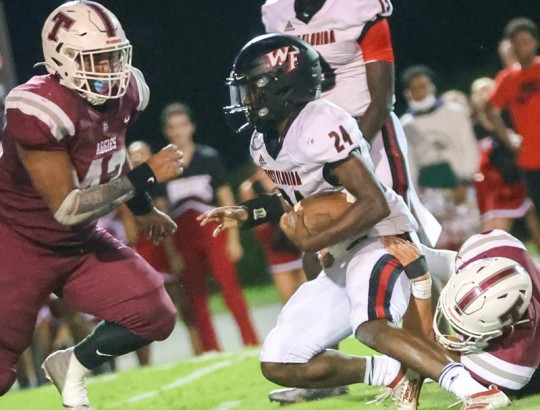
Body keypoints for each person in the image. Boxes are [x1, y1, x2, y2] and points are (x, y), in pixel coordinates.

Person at [199, 33, 511, 409]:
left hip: (381, 238)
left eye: (253, 87)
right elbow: (295, 199)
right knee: (280, 360)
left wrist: (313, 241)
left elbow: (373, 203)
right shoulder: (264, 141)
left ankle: (475, 390)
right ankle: (393, 373)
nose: (247, 99)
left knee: (371, 327)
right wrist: (252, 212)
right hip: (342, 251)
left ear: (281, 85)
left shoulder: (320, 122)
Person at [0, 2, 184, 408]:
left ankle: (71, 366)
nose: (109, 69)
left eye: (113, 57)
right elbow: (67, 207)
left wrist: (142, 208)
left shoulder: (128, 93)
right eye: (95, 60)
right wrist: (146, 175)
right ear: (61, 58)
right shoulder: (40, 108)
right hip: (17, 242)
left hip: (78, 242)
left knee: (153, 313)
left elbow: (111, 156)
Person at [261, 1, 439, 402]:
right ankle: (326, 366)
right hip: (313, 147)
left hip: (367, 135)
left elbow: (382, 97)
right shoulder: (276, 11)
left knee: (404, 244)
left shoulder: (357, 7)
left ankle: (431, 354)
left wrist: (346, 155)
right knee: (315, 245)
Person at [160, 102, 259, 352]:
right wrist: (171, 252)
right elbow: (162, 213)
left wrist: (233, 238)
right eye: (173, 127)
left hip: (213, 231)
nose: (178, 131)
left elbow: (225, 199)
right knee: (195, 295)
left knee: (230, 288)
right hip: (183, 236)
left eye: (182, 125)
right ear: (166, 132)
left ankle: (250, 341)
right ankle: (210, 349)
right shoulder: (163, 167)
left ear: (191, 127)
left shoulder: (208, 157)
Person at [400, 64, 480, 251]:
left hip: (459, 184)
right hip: (429, 191)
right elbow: (409, 161)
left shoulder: (454, 112)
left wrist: (465, 180)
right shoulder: (406, 123)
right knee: (439, 245)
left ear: (432, 86)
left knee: (469, 241)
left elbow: (468, 146)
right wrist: (414, 195)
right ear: (407, 93)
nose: (420, 92)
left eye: (423, 86)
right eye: (414, 88)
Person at [485, 17, 540, 225]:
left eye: (526, 41)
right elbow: (491, 109)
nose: (521, 46)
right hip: (529, 157)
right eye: (516, 42)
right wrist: (507, 136)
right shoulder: (508, 78)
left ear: (535, 42)